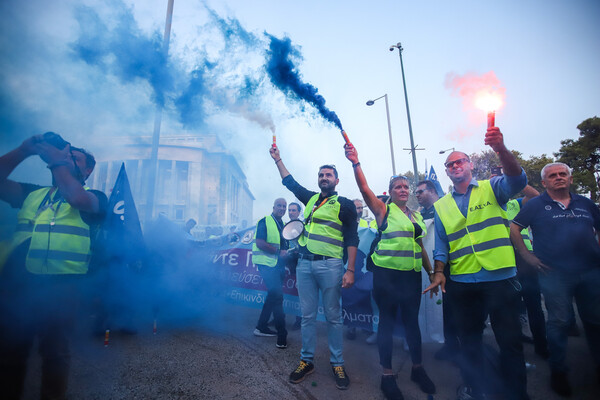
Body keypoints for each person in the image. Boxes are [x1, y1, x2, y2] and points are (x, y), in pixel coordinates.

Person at [425, 126, 529, 400]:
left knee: (510, 344)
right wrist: (438, 272)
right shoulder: (441, 205)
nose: (455, 166)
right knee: (469, 342)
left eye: (460, 161)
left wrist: (500, 149)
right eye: (450, 164)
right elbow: (442, 245)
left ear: (470, 165)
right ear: (446, 172)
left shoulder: (492, 187)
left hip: (500, 280)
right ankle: (474, 387)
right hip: (464, 283)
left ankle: (516, 393)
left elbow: (518, 180)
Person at [0, 133, 107, 400]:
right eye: (68, 155)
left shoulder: (95, 197)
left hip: (62, 286)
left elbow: (76, 199)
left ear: (88, 169)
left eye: (76, 158)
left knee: (55, 354)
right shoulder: (32, 193)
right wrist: (24, 150)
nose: (68, 159)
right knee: (10, 353)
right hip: (18, 284)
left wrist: (57, 161)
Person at [345, 144, 436, 399]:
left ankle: (417, 369)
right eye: (398, 187)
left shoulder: (416, 217)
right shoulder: (383, 210)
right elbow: (364, 190)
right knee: (386, 323)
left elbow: (420, 248)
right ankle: (387, 375)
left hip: (410, 277)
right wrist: (356, 162)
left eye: (406, 187)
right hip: (386, 278)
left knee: (412, 324)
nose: (404, 190)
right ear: (391, 192)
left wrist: (431, 273)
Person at [270, 144, 358, 390]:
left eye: (328, 175)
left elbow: (352, 238)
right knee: (307, 316)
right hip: (304, 266)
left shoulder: (344, 203)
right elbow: (291, 183)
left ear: (337, 180)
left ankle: (337, 363)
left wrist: (350, 270)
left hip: (330, 266)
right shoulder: (309, 200)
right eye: (321, 175)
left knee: (333, 316)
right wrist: (278, 159)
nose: (324, 178)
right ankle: (306, 361)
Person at [510, 162, 600, 397]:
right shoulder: (537, 205)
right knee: (559, 322)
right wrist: (527, 256)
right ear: (545, 182)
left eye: (563, 174)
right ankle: (558, 371)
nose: (558, 178)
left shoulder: (586, 203)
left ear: (570, 178)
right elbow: (515, 228)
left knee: (595, 321)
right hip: (555, 273)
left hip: (591, 271)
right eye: (553, 175)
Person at [505, 184, 549, 359]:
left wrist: (511, 180)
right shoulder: (487, 204)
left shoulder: (514, 204)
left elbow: (534, 195)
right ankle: (516, 346)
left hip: (525, 258)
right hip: (505, 259)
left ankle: (541, 344)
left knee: (534, 304)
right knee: (510, 307)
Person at [252, 198, 289, 348]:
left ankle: (260, 327)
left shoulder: (283, 224)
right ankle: (282, 335)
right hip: (266, 265)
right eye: (279, 206)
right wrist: (278, 252)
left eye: (284, 206)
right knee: (278, 297)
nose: (282, 208)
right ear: (273, 207)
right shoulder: (265, 221)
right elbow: (260, 243)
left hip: (277, 265)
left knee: (272, 296)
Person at [286, 202, 303, 331]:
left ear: (299, 212)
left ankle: (300, 319)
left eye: (293, 210)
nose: (291, 212)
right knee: (287, 289)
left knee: (300, 291)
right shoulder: (286, 225)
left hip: (300, 261)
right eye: (289, 210)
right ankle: (280, 315)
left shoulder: (303, 225)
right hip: (289, 261)